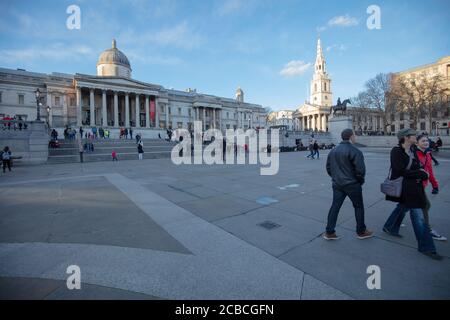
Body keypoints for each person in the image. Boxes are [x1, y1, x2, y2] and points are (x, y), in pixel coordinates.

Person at [382, 128, 442, 260]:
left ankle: (389, 226)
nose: (416, 136)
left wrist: (422, 171)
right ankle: (427, 247)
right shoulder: (396, 151)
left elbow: (416, 166)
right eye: (413, 135)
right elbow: (400, 170)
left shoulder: (413, 150)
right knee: (419, 217)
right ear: (406, 138)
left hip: (415, 188)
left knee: (403, 207)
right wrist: (421, 173)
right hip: (406, 189)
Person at [324, 129, 373, 240]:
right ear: (351, 136)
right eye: (354, 135)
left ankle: (329, 232)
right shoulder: (355, 151)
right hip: (352, 184)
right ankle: (361, 231)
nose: (355, 137)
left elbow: (328, 167)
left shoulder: (333, 150)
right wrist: (359, 181)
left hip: (337, 184)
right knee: (358, 207)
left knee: (335, 207)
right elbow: (360, 170)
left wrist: (335, 178)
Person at [415, 134, 446, 241]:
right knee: (425, 205)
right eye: (423, 141)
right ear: (417, 143)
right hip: (414, 186)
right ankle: (427, 229)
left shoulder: (427, 154)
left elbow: (430, 172)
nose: (426, 142)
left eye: (427, 141)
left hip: (422, 185)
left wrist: (435, 185)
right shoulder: (414, 154)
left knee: (404, 206)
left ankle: (392, 224)